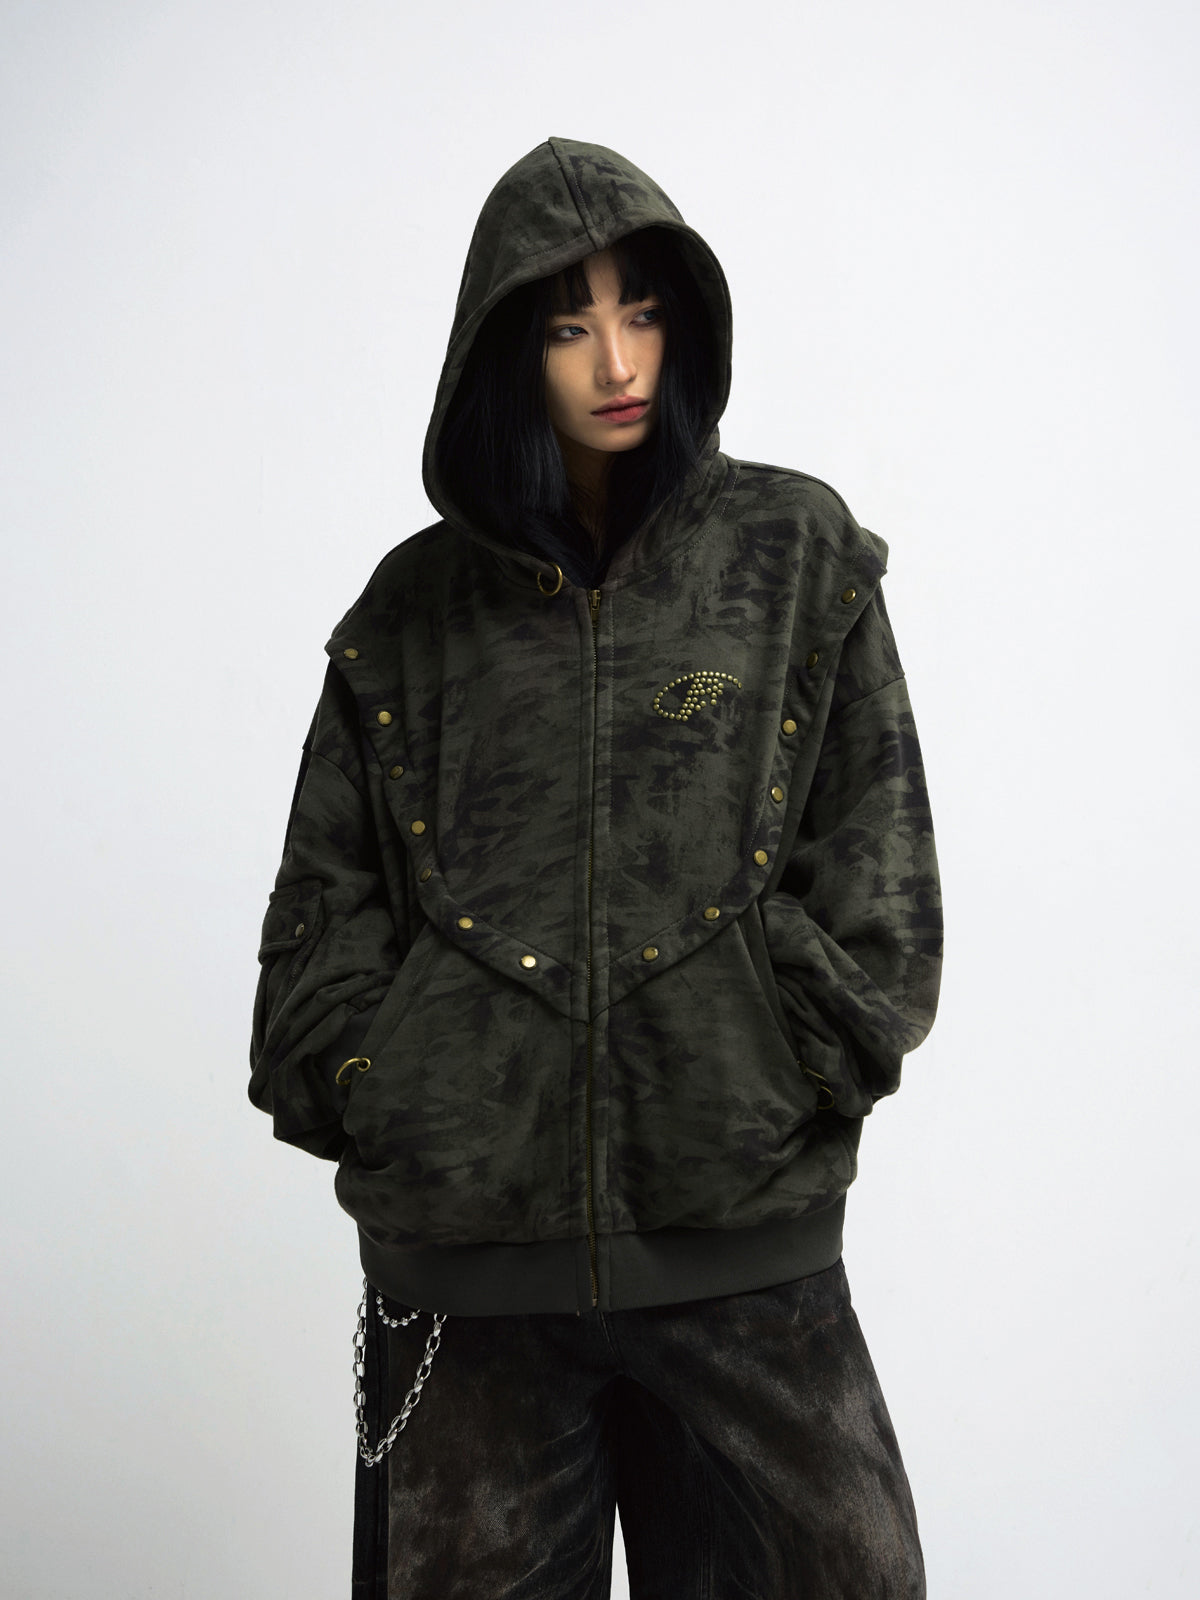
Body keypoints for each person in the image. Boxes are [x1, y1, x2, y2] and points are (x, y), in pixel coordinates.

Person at [249, 136, 943, 1599]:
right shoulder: (409, 616)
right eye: (569, 325)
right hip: (470, 1293)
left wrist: (771, 1054)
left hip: (747, 1262)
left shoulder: (795, 559)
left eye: (642, 313)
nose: (617, 362)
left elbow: (881, 888)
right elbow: (319, 926)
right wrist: (402, 1089)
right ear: (507, 351)